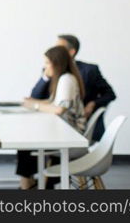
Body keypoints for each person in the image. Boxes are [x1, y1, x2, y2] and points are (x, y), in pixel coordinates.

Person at [17, 45, 85, 189]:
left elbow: (59, 109)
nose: (45, 66)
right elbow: (52, 102)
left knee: (25, 141)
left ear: (57, 63)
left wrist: (34, 106)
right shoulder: (62, 79)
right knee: (26, 140)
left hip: (70, 135)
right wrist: (32, 102)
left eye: (47, 63)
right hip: (63, 131)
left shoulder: (67, 79)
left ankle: (26, 185)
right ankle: (29, 182)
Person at [30, 34, 116, 141]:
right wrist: (46, 77)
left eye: (59, 48)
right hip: (55, 120)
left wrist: (93, 104)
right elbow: (35, 97)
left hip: (71, 124)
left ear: (71, 52)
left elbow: (110, 94)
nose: (55, 51)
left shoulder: (86, 72)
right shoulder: (51, 70)